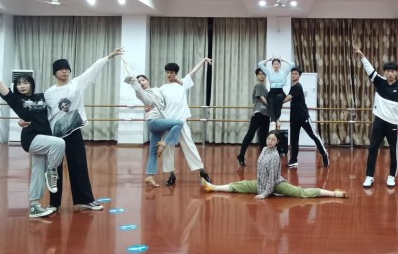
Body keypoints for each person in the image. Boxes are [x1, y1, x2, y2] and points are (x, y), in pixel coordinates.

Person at [0, 55, 65, 218]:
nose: (22, 86)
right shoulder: (15, 100)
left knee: (37, 172)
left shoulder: (41, 96)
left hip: (45, 138)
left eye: (25, 82)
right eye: (19, 84)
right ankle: (52, 171)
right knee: (59, 144)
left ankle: (34, 206)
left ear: (31, 83)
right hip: (31, 138)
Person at [44, 47, 124, 212]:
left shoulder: (77, 84)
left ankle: (85, 200)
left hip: (73, 131)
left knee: (79, 166)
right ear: (54, 73)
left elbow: (93, 70)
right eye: (61, 69)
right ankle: (54, 203)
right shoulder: (48, 93)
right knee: (54, 169)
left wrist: (109, 56)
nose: (64, 72)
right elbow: (43, 114)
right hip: (55, 136)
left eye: (67, 69)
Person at [201, 131, 348, 199]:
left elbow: (272, 179)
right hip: (261, 183)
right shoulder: (265, 149)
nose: (270, 141)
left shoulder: (275, 157)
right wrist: (260, 186)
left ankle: (333, 193)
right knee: (241, 185)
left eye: (273, 140)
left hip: (275, 185)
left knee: (301, 193)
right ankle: (213, 187)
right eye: (268, 138)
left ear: (277, 142)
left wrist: (264, 194)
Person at [353, 43, 398, 188]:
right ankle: (369, 176)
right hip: (379, 121)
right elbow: (370, 70)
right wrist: (362, 57)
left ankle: (391, 176)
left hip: (393, 124)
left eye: (393, 71)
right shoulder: (380, 82)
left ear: (396, 73)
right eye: (388, 71)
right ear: (385, 72)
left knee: (393, 151)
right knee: (372, 148)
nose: (390, 74)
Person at [157, 58, 213, 187]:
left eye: (171, 72)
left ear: (176, 73)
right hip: (168, 122)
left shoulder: (182, 84)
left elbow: (193, 72)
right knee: (168, 149)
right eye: (167, 72)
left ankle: (202, 171)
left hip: (181, 121)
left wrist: (204, 60)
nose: (169, 75)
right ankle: (171, 174)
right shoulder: (162, 89)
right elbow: (155, 101)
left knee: (189, 146)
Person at [124, 73, 184, 187]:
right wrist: (132, 79)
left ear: (148, 81)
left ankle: (150, 177)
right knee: (179, 123)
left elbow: (166, 98)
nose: (141, 83)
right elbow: (137, 88)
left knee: (152, 152)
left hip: (160, 121)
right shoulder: (142, 94)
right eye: (139, 82)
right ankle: (164, 144)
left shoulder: (157, 90)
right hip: (154, 121)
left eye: (143, 80)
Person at [283, 67, 329, 168]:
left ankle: (324, 154)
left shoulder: (297, 86)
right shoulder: (293, 87)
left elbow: (288, 98)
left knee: (313, 135)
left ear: (299, 76)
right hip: (294, 117)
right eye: (292, 74)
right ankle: (294, 160)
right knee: (294, 139)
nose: (293, 75)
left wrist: (276, 102)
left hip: (303, 116)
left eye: (295, 74)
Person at [237, 67, 270, 167]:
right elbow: (262, 98)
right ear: (257, 76)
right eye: (259, 74)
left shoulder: (264, 87)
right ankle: (241, 155)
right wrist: (271, 105)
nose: (262, 75)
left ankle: (263, 159)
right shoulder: (258, 85)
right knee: (250, 135)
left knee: (263, 138)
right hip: (258, 114)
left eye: (263, 74)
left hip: (266, 115)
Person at [257, 56, 295, 130]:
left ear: (280, 65)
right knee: (271, 102)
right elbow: (260, 64)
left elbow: (292, 65)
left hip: (280, 91)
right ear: (272, 65)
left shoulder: (284, 72)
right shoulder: (269, 72)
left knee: (278, 98)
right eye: (274, 64)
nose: (276, 65)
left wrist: (283, 60)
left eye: (277, 64)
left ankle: (277, 118)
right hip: (272, 91)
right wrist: (269, 59)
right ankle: (273, 120)